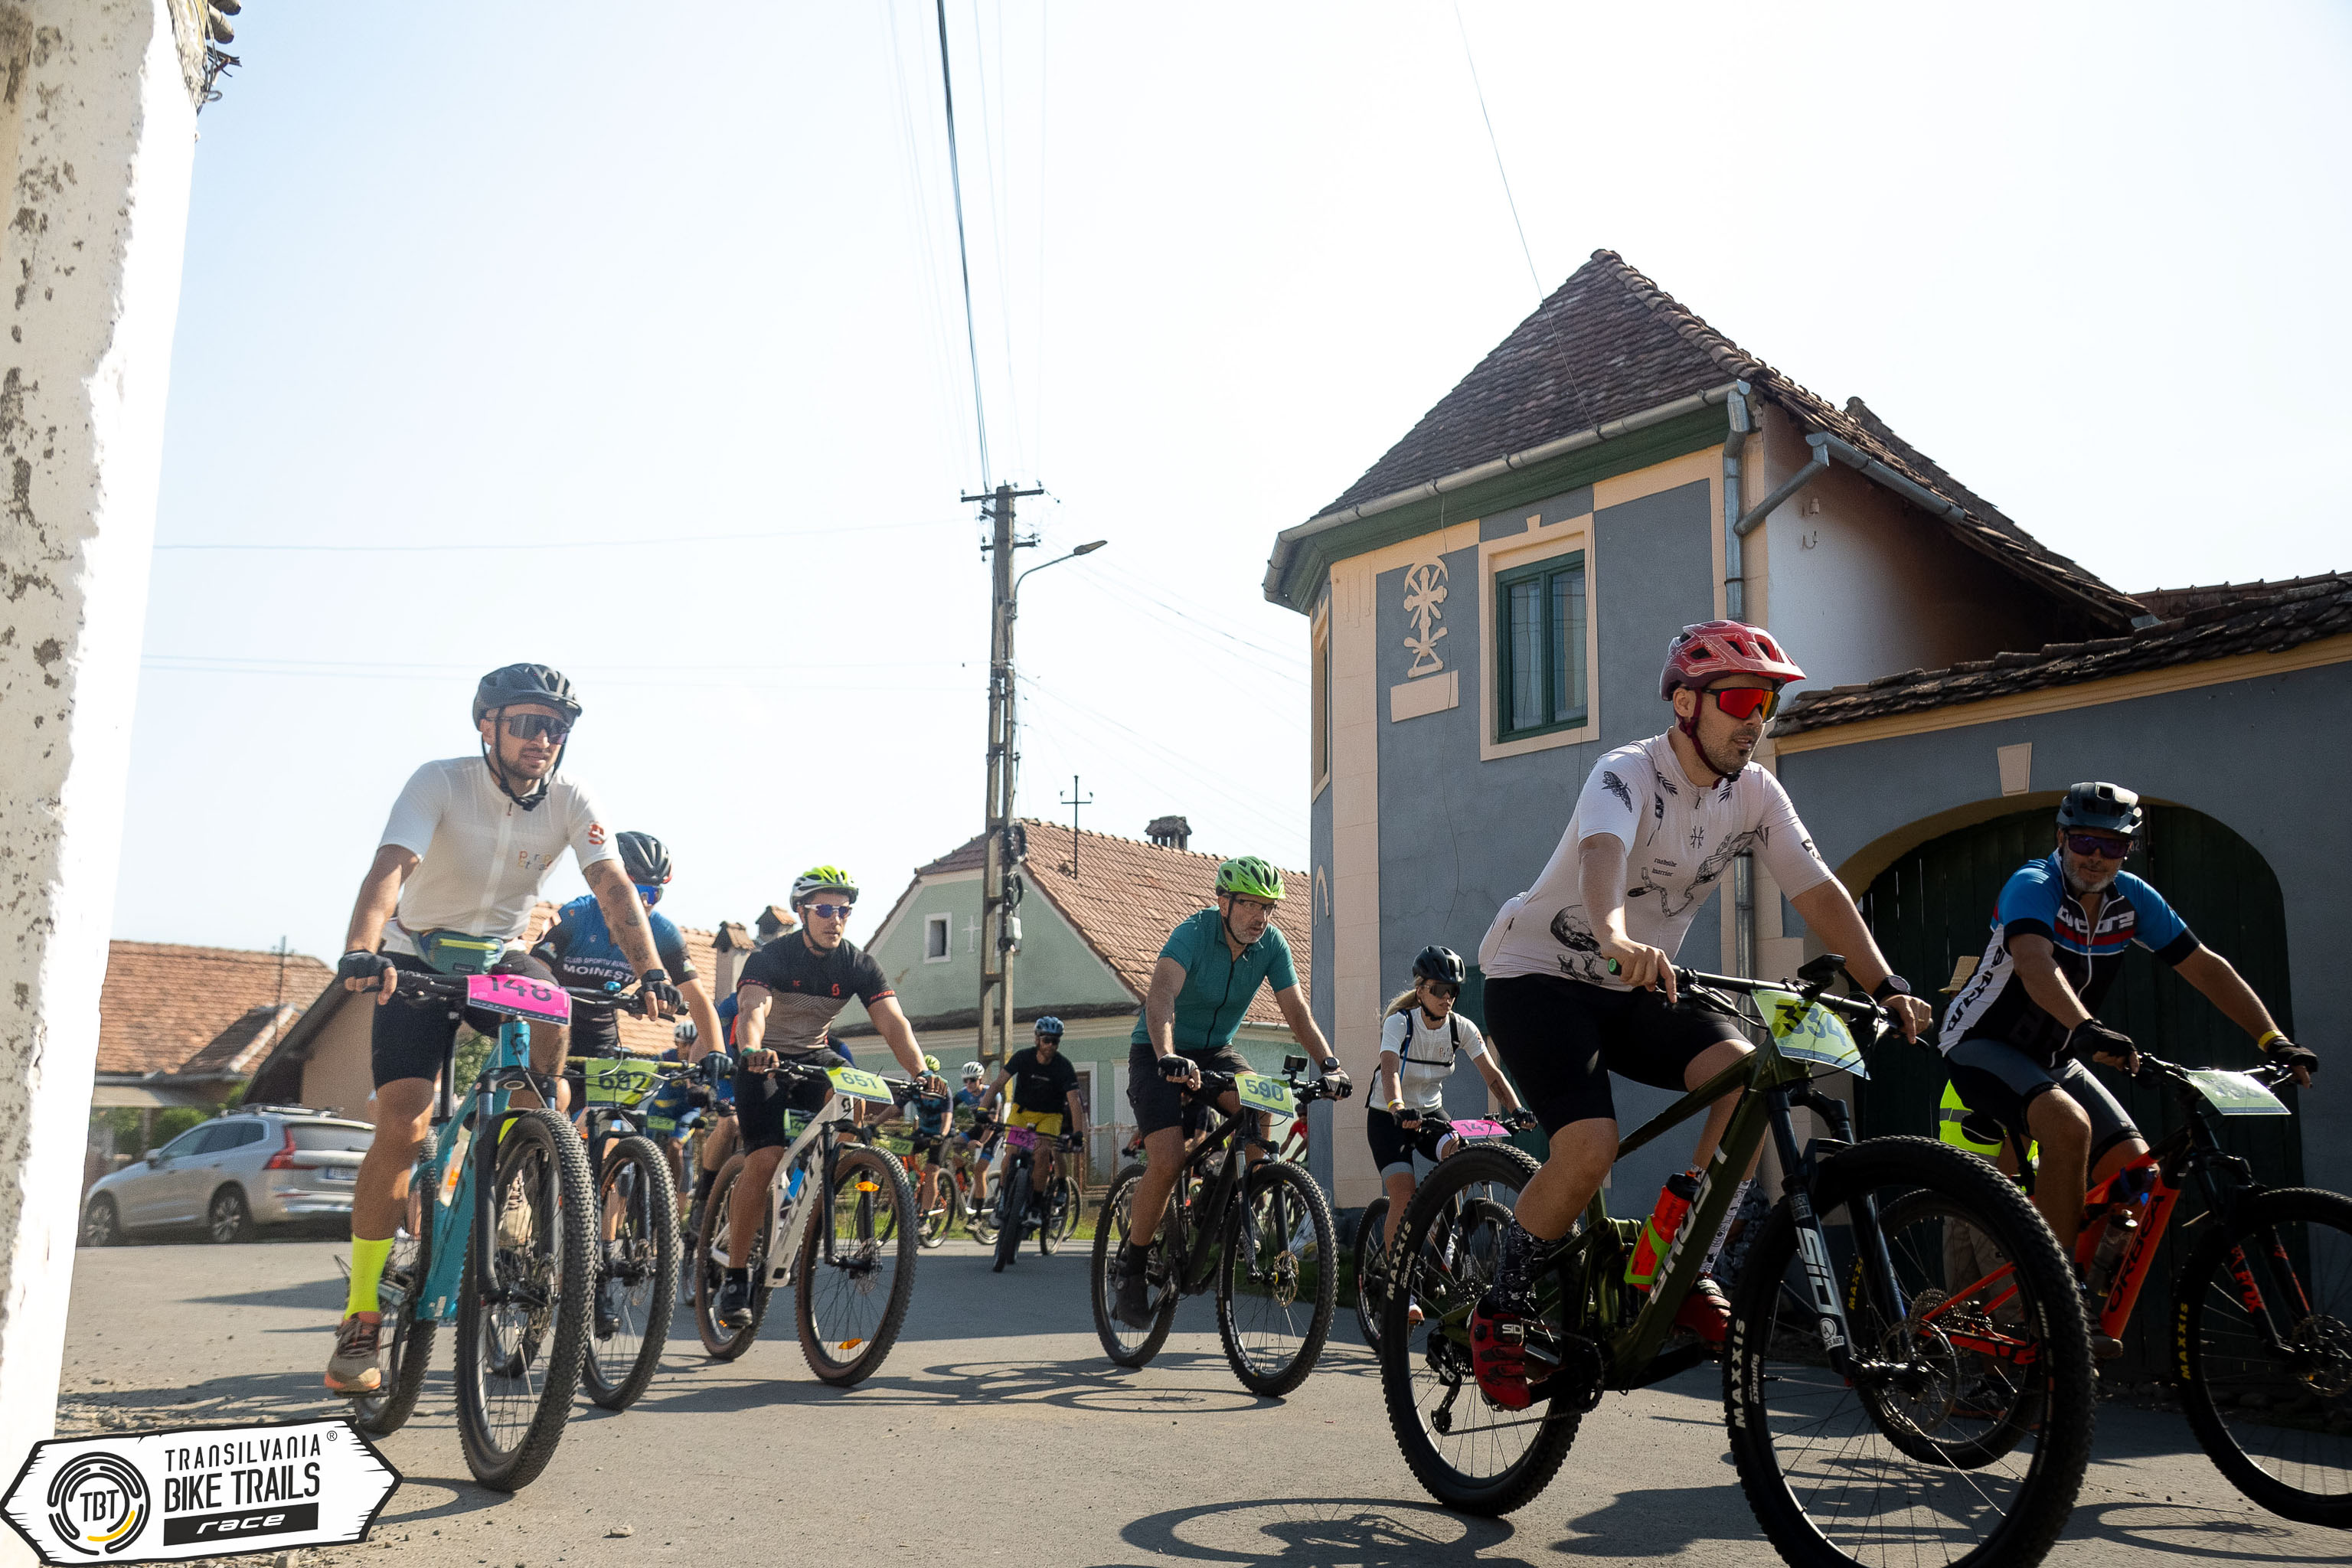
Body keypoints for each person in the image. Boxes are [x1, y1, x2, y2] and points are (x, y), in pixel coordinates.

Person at [1468, 621, 1932, 1410]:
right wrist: (1614, 936)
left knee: (1744, 1078)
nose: (1756, 721)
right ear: (1686, 703)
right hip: (1539, 976)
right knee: (1589, 1146)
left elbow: (1816, 887)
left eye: (1768, 705)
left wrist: (1884, 981)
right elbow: (1601, 856)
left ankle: (1681, 1260)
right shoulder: (1626, 772)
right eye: (1741, 701)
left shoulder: (1755, 792)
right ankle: (1501, 1308)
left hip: (1637, 984)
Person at [324, 665, 680, 1396]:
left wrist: (650, 971)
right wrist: (363, 947)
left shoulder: (573, 798)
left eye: (556, 728)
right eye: (526, 724)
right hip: (416, 952)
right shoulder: (439, 782)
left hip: (498, 956)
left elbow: (612, 885)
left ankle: (525, 1154)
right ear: (487, 725)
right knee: (404, 1122)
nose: (542, 739)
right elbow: (392, 866)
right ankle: (361, 1315)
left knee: (553, 1014)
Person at [1936, 781, 2318, 1340]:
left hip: (2055, 1055)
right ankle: (2053, 1297)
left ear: (2128, 849)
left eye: (2112, 845)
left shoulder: (2132, 899)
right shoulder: (2034, 885)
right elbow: (2035, 964)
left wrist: (2273, 1039)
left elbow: (2205, 967)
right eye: (2085, 841)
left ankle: (2075, 1294)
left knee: (2137, 1174)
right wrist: (2085, 1028)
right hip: (1981, 1043)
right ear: (2062, 838)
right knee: (2069, 1127)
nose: (2096, 856)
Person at [1113, 858, 1350, 1327]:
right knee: (1168, 1160)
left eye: (1268, 907)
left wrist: (1330, 1064)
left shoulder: (1271, 945)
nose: (1261, 916)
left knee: (1260, 1102)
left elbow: (1296, 1012)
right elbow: (1161, 998)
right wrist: (1167, 1055)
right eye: (1250, 905)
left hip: (1216, 1050)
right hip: (1159, 1050)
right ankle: (1133, 1267)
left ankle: (1242, 1202)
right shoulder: (1192, 934)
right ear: (1224, 903)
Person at [718, 866, 942, 1328]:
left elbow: (892, 1021)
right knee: (766, 1157)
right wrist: (754, 1049)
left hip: (815, 1055)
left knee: (852, 1100)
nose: (834, 919)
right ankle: (736, 1276)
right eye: (824, 910)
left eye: (843, 911)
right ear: (802, 913)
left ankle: (820, 1192)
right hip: (765, 1059)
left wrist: (920, 1072)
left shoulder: (857, 964)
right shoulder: (772, 957)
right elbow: (753, 1008)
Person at [1370, 946, 1527, 1270]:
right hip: (1389, 1116)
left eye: (1453, 990)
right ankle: (1397, 1279)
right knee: (1404, 1193)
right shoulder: (1400, 1023)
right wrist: (1398, 1107)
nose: (1447, 998)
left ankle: (1443, 1234)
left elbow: (1493, 1075)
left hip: (1429, 1113)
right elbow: (1390, 1072)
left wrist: (1517, 1110)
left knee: (1461, 1156)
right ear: (1421, 990)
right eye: (1440, 989)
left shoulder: (1460, 1028)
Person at [976, 1017, 1088, 1270]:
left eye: (1055, 1041)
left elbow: (1074, 1101)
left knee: (1043, 1152)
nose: (1051, 1045)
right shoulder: (1023, 1057)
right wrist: (983, 1109)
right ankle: (1003, 1199)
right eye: (1047, 1040)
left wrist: (1078, 1133)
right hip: (1021, 1112)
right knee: (1011, 1153)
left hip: (1050, 1117)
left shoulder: (1063, 1066)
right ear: (1037, 1039)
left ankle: (1036, 1205)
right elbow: (998, 1083)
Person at [904, 1053, 955, 1221]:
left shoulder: (944, 1090)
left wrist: (941, 1135)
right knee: (900, 1151)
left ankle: (924, 1217)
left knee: (932, 1170)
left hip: (943, 1133)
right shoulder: (915, 1089)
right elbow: (895, 1108)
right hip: (924, 1131)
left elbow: (947, 1119)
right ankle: (914, 1179)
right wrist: (874, 1125)